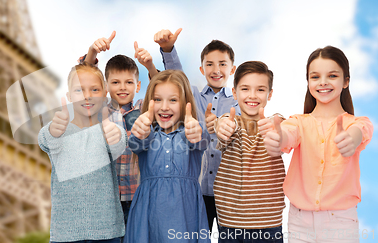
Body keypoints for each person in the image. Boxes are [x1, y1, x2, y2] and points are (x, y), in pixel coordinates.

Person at [264, 46, 374, 242]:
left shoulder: (357, 123)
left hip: (341, 222)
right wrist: (278, 139)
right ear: (308, 82)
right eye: (315, 77)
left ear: (346, 81)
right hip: (299, 221)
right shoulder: (298, 122)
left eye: (332, 75)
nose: (323, 82)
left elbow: (360, 132)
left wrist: (351, 138)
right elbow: (288, 135)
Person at [154, 28, 240, 230]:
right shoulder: (193, 96)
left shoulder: (238, 102)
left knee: (230, 237)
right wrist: (168, 49)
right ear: (202, 70)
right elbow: (177, 74)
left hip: (228, 191)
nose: (216, 69)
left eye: (222, 64)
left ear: (232, 69)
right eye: (209, 64)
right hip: (198, 190)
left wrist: (222, 123)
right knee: (194, 235)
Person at [38, 63, 127, 243]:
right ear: (69, 96)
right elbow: (45, 141)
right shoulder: (59, 130)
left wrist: (116, 136)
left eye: (94, 89)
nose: (87, 96)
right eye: (79, 90)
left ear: (104, 95)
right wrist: (53, 131)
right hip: (65, 233)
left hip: (107, 231)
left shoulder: (110, 129)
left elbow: (118, 146)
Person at [82, 31, 158, 230]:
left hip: (138, 196)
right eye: (115, 82)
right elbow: (84, 82)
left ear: (139, 85)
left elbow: (162, 90)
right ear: (105, 86)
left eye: (129, 82)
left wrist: (149, 66)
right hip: (107, 198)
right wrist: (92, 53)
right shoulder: (100, 109)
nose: (122, 87)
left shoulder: (144, 108)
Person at [124, 70, 210, 243]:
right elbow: (135, 143)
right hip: (148, 218)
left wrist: (196, 132)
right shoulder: (147, 135)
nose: (164, 107)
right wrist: (141, 132)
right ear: (149, 102)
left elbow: (202, 140)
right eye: (157, 99)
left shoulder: (192, 132)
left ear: (185, 102)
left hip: (185, 217)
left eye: (173, 100)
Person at [214, 61, 285, 242]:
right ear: (235, 93)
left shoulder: (275, 124)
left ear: (270, 95)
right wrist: (221, 125)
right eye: (245, 89)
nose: (252, 95)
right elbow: (222, 126)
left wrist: (280, 133)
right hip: (231, 223)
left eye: (260, 90)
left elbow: (285, 130)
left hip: (268, 223)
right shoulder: (231, 122)